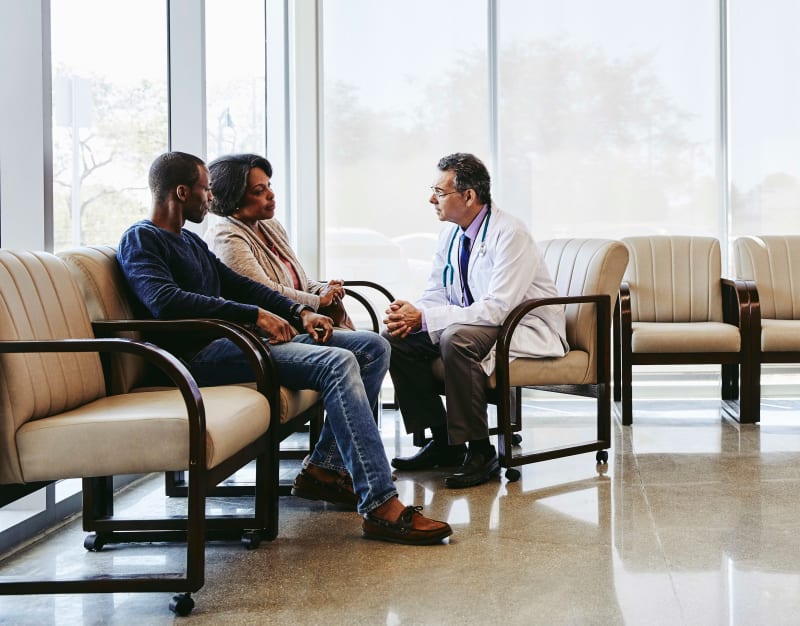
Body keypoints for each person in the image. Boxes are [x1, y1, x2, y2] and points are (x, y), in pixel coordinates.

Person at [117, 151, 452, 545]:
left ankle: (325, 469)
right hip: (197, 359)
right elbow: (164, 301)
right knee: (337, 363)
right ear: (181, 191)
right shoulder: (142, 238)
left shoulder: (187, 240)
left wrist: (298, 311)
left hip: (235, 344)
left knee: (372, 347)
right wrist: (255, 315)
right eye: (205, 190)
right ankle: (379, 504)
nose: (210, 198)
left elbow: (239, 285)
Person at [383, 153, 568, 489]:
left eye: (439, 192)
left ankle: (481, 452)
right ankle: (443, 443)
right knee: (394, 339)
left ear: (468, 196)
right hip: (479, 321)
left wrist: (426, 317)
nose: (431, 199)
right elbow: (438, 290)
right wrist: (413, 314)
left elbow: (498, 308)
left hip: (520, 324)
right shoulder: (451, 234)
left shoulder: (510, 233)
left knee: (457, 339)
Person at [204, 153, 354, 329]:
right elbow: (264, 291)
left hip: (302, 323)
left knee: (374, 342)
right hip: (269, 333)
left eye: (269, 186)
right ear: (233, 198)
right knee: (372, 344)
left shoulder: (269, 225)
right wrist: (319, 300)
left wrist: (322, 289)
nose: (271, 194)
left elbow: (298, 279)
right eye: (259, 191)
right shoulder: (225, 236)